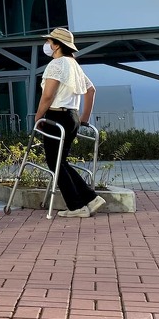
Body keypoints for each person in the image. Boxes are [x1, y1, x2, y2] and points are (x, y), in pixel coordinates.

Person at [35, 27, 106, 218]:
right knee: (61, 161)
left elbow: (48, 95)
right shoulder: (74, 64)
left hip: (55, 116)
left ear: (57, 45)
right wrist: (84, 118)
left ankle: (77, 206)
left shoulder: (56, 64)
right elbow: (91, 90)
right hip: (72, 117)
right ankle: (90, 198)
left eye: (50, 42)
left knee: (55, 163)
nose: (47, 45)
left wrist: (38, 116)